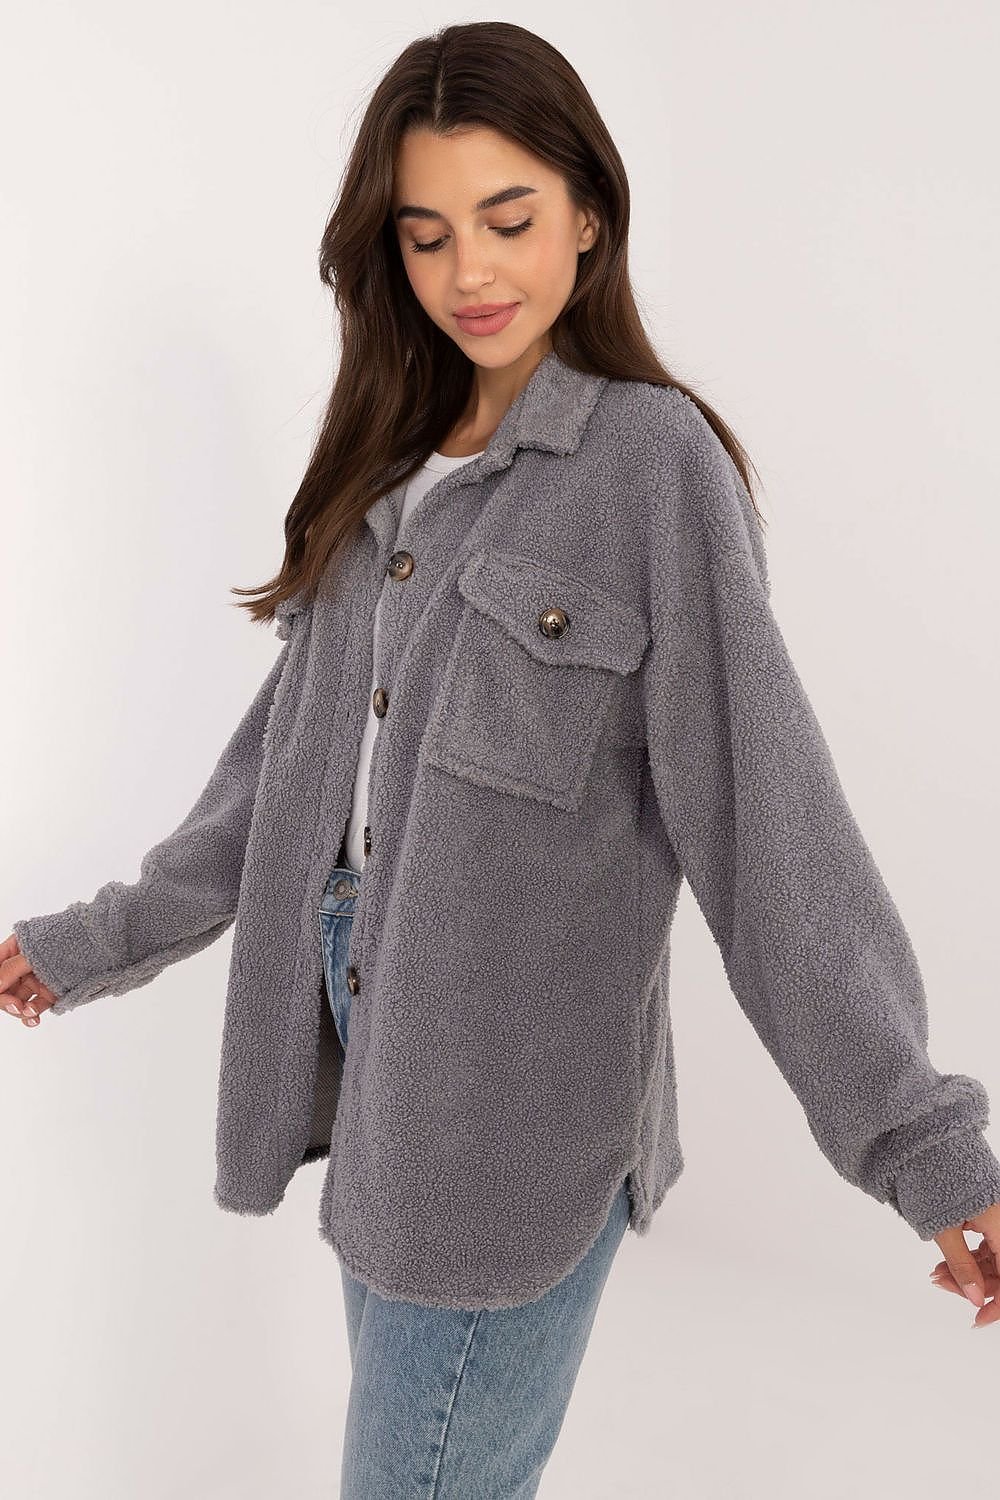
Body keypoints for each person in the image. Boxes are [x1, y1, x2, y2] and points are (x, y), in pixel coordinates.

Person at [4, 19, 999, 1498]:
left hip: (512, 1112)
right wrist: (84, 943)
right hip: (371, 1061)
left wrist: (929, 1151)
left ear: (588, 215)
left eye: (509, 219)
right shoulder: (385, 466)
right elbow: (280, 782)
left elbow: (768, 828)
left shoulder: (653, 468)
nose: (471, 271)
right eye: (427, 236)